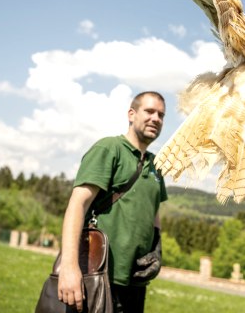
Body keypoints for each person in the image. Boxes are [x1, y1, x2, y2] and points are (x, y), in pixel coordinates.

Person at [58, 91, 167, 313]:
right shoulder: (109, 149)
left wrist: (157, 248)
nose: (156, 118)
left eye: (161, 115)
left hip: (136, 281)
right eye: (149, 111)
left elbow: (153, 210)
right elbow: (77, 205)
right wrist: (69, 268)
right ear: (131, 114)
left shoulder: (157, 164)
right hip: (97, 276)